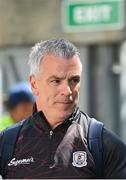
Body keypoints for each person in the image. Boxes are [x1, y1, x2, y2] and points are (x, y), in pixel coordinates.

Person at [0, 38, 126, 179]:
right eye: (56, 81)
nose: (67, 91)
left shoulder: (103, 144)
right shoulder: (7, 142)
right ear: (34, 84)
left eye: (74, 80)